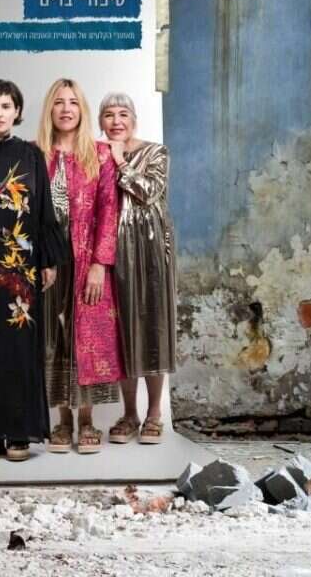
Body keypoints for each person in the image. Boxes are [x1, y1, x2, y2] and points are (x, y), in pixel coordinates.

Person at [0, 79, 67, 462]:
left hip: (22, 268)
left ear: (17, 111)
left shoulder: (31, 155)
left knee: (21, 348)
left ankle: (20, 431)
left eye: (6, 106)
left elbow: (44, 210)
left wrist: (49, 259)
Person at [37, 78, 125, 455]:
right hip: (48, 260)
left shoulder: (100, 154)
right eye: (59, 102)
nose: (66, 109)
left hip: (86, 258)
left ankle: (87, 420)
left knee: (85, 338)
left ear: (82, 109)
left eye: (73, 102)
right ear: (50, 109)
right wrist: (38, 259)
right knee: (53, 339)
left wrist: (100, 264)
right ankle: (62, 421)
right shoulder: (35, 154)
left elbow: (109, 210)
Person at [100, 92, 177, 445]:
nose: (116, 121)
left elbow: (147, 191)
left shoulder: (156, 152)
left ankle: (155, 412)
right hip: (114, 250)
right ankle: (129, 413)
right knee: (121, 330)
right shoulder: (97, 155)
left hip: (150, 251)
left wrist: (119, 160)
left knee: (152, 326)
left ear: (134, 119)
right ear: (101, 122)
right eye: (109, 115)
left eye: (123, 114)